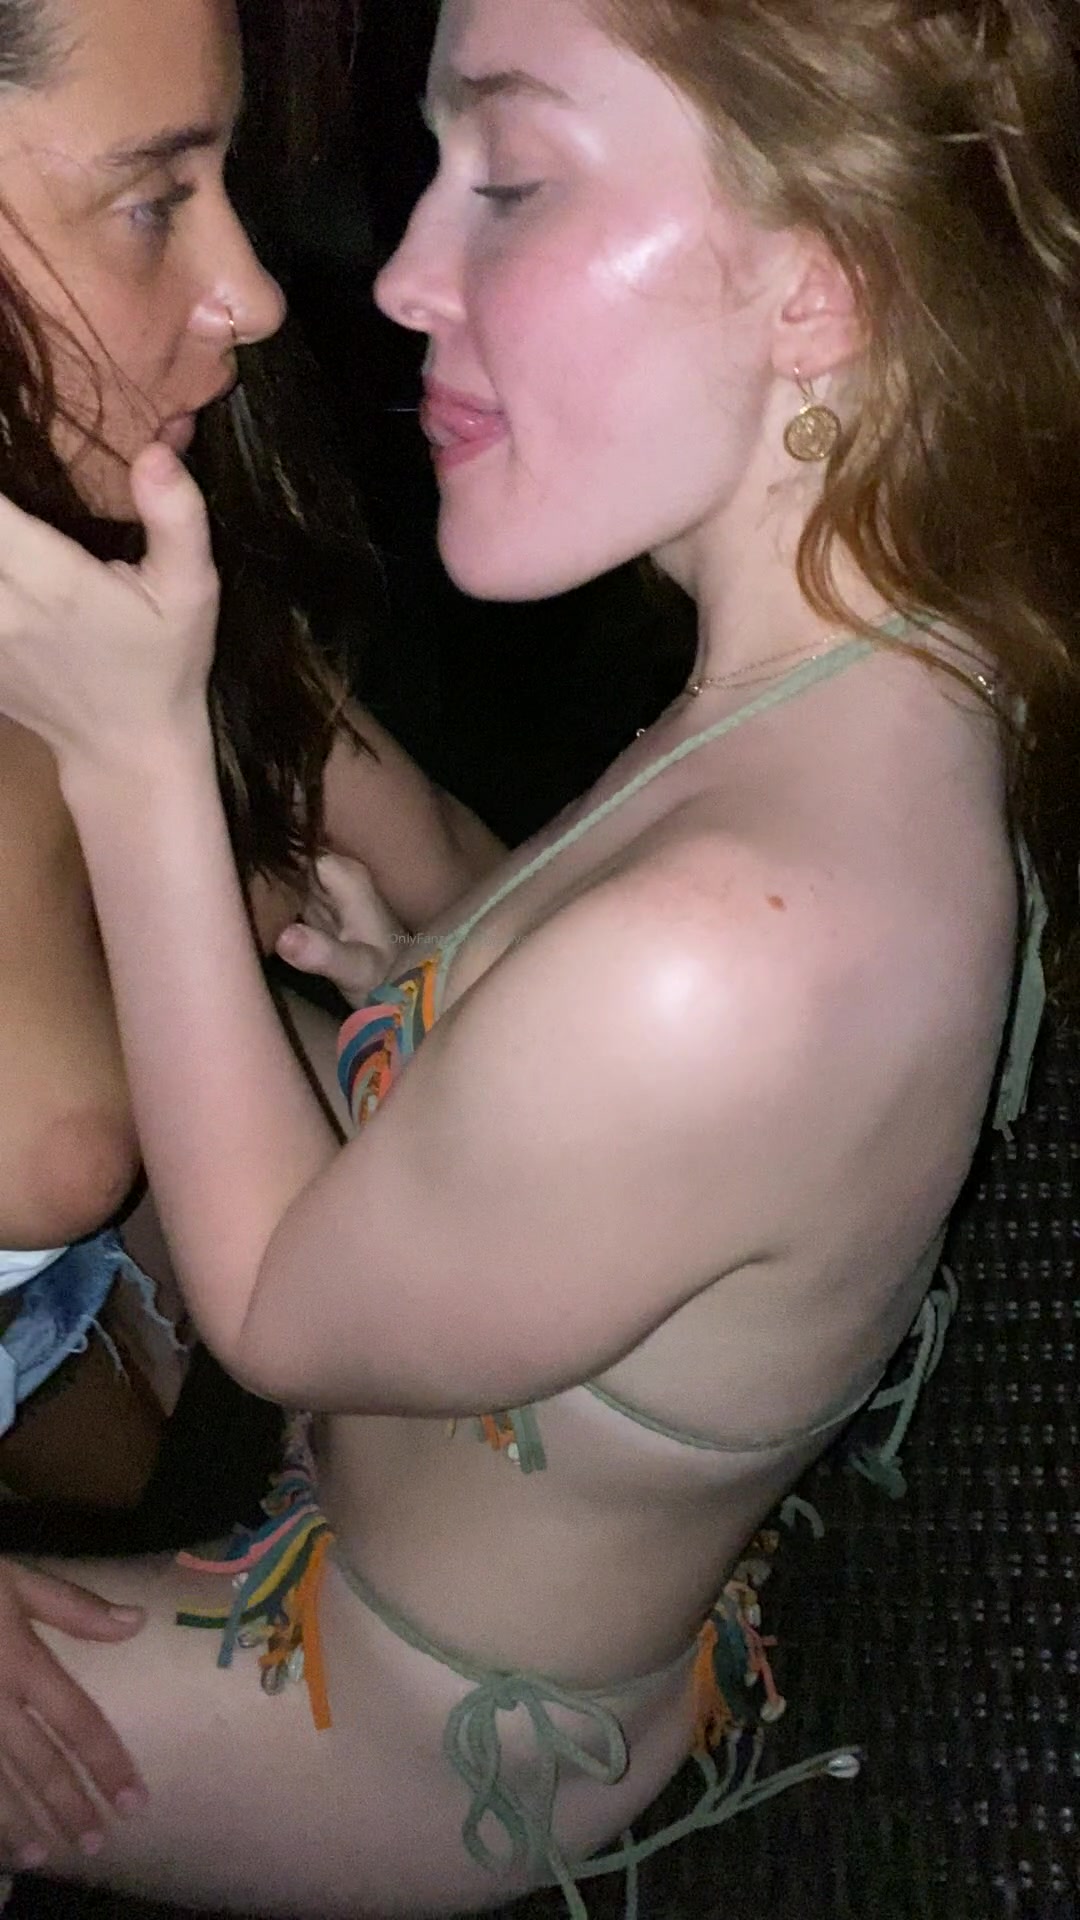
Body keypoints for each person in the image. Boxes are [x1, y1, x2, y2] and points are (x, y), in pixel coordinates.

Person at [0, 0, 1074, 1912]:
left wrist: (135, 751)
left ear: (824, 278)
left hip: (407, 1705)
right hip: (412, 1465)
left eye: (508, 182)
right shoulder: (857, 684)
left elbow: (277, 1310)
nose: (396, 277)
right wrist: (419, 982)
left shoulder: (732, 948)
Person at [0, 0, 502, 1860]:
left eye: (228, 179)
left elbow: (458, 873)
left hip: (202, 1404)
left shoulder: (128, 547)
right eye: (154, 198)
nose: (258, 294)